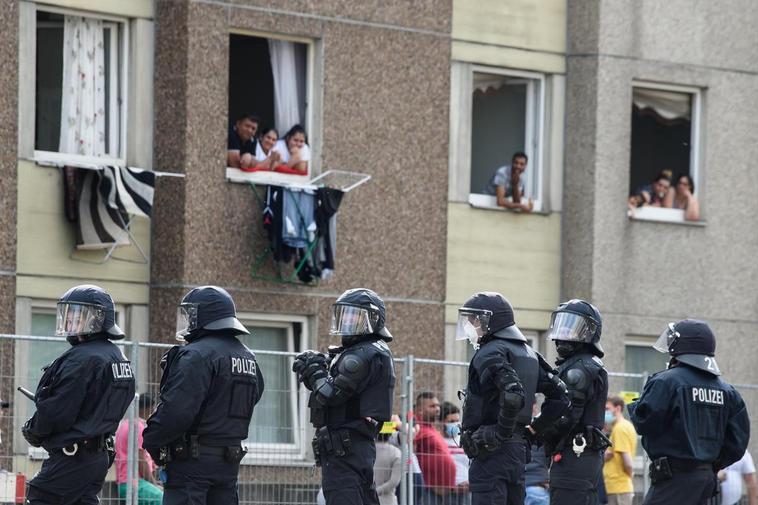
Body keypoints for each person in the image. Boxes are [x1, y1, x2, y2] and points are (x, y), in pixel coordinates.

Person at [142, 285, 264, 505]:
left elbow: (176, 412)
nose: (187, 322)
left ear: (204, 317)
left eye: (191, 315)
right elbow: (255, 396)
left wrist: (151, 440)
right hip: (228, 463)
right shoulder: (248, 357)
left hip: (191, 465)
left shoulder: (196, 354)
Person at [22, 284, 136, 504]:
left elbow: (57, 410)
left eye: (78, 316)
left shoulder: (81, 359)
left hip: (71, 457)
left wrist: (34, 430)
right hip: (98, 457)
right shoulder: (118, 357)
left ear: (98, 319)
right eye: (69, 315)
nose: (70, 322)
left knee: (41, 497)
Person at [457, 292, 570, 505]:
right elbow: (562, 397)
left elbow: (512, 393)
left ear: (489, 321)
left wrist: (499, 432)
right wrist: (533, 431)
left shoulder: (490, 352)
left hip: (490, 451)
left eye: (475, 321)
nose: (472, 327)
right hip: (517, 451)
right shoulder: (529, 353)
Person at [628, 319, 750, 505]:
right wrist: (709, 464)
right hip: (707, 480)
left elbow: (645, 422)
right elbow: (738, 443)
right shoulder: (728, 392)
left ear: (680, 348)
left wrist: (637, 404)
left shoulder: (667, 382)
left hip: (673, 479)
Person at [293, 288, 395, 505]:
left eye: (354, 314)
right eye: (344, 313)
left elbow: (330, 396)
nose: (347, 319)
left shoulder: (361, 354)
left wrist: (315, 371)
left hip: (346, 448)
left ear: (372, 318)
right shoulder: (368, 350)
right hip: (353, 446)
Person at [540, 299, 610, 505]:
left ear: (589, 333)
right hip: (579, 456)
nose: (564, 333)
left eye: (573, 326)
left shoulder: (579, 369)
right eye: (563, 325)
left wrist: (536, 432)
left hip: (575, 455)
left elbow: (565, 416)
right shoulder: (582, 365)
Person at [115, 394, 163, 505]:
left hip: (123, 482)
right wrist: (154, 484)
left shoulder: (124, 424)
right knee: (164, 499)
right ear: (149, 408)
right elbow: (140, 459)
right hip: (135, 482)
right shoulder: (139, 427)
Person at [414, 392, 456, 503]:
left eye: (438, 406)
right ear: (420, 410)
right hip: (427, 490)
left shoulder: (430, 428)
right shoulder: (415, 426)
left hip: (442, 494)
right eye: (432, 406)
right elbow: (388, 429)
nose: (437, 409)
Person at [602, 395, 637, 505]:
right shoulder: (618, 427)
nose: (605, 412)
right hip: (616, 488)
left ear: (617, 409)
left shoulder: (620, 429)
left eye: (607, 409)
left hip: (619, 489)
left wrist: (629, 476)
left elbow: (628, 463)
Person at [440, 401, 470, 505]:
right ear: (441, 422)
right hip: (445, 492)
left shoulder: (464, 440)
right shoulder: (437, 441)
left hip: (467, 490)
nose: (455, 424)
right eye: (451, 421)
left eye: (457, 420)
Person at [523, 402, 549, 505]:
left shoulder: (514, 430)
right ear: (534, 407)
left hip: (519, 488)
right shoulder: (543, 430)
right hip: (539, 487)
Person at [374, 422, 402, 505]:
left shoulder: (369, 450)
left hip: (368, 499)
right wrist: (377, 491)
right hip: (388, 501)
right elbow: (393, 482)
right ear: (390, 434)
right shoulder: (396, 453)